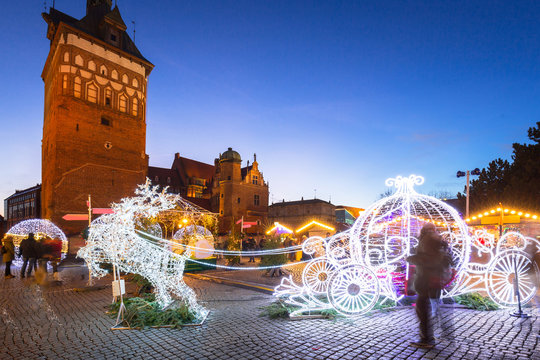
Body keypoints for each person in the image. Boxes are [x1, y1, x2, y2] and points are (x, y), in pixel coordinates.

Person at [407, 223, 451, 349]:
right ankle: (428, 337)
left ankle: (426, 339)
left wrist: (412, 258)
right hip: (433, 279)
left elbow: (429, 260)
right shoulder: (436, 239)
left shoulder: (427, 239)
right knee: (426, 308)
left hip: (426, 279)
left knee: (422, 310)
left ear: (423, 230)